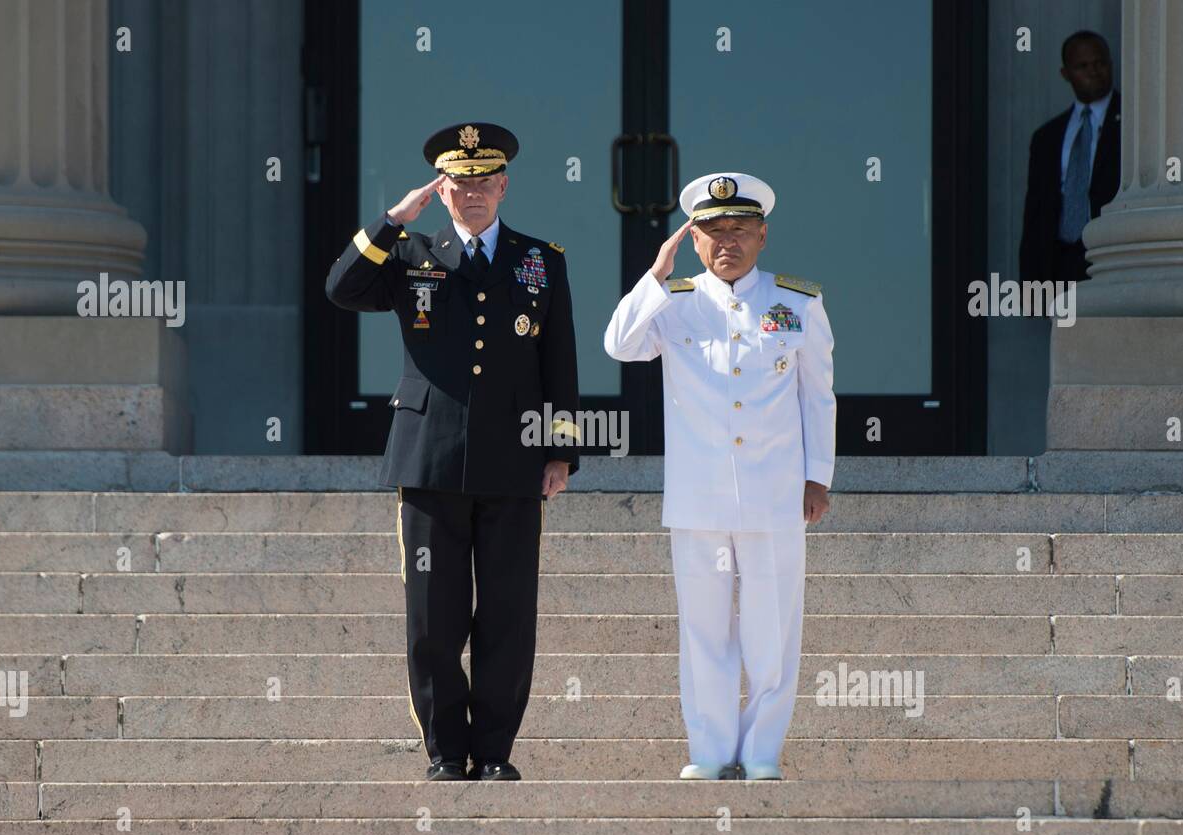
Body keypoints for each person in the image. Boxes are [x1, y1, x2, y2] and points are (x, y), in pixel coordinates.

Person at [325, 122, 580, 782]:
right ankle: (445, 749)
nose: (472, 194)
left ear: (503, 185)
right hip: (430, 459)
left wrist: (561, 452)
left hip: (515, 462)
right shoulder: (412, 253)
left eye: (483, 182)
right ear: (442, 192)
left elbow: (561, 361)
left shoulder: (540, 260)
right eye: (458, 184)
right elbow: (341, 288)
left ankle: (494, 751)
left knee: (507, 612)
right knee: (434, 615)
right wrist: (390, 220)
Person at [603, 172, 836, 781]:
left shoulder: (798, 302)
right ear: (695, 239)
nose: (725, 240)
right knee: (704, 633)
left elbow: (818, 397)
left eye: (738, 229)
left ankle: (761, 753)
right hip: (699, 496)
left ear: (763, 235)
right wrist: (654, 275)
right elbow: (619, 345)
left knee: (772, 632)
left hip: (776, 492)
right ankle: (708, 752)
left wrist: (819, 476)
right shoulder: (672, 300)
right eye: (711, 230)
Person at [1020, 30, 1121, 283]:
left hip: (1112, 257)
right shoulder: (1046, 137)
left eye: (1100, 63)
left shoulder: (1134, 125)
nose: (1093, 71)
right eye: (1083, 66)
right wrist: (1031, 282)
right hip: (1059, 264)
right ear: (1065, 74)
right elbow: (1035, 212)